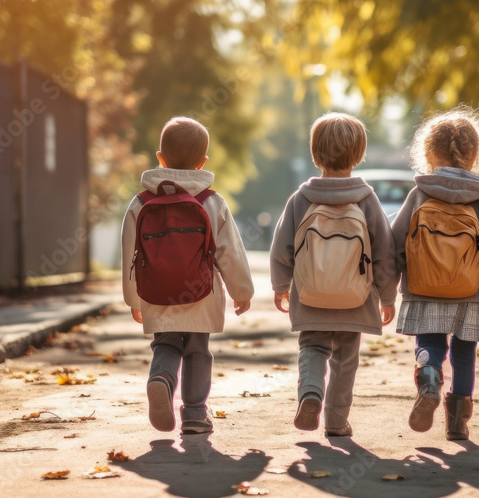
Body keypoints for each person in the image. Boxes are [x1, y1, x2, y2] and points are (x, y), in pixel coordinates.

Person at [391, 107, 479, 440]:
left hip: (423, 288)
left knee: (429, 341)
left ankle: (428, 374)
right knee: (465, 353)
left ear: (428, 153)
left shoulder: (419, 193)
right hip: (472, 291)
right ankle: (457, 424)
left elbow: (393, 243)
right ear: (476, 156)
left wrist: (383, 290)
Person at [121, 117, 254, 435]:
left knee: (165, 344)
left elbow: (130, 255)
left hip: (155, 293)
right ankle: (194, 413)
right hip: (201, 294)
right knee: (197, 350)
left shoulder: (141, 203)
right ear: (202, 162)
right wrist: (242, 291)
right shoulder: (211, 202)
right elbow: (229, 252)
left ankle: (161, 380)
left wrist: (133, 298)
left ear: (160, 158)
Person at [269, 112, 399, 437]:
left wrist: (281, 285)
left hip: (310, 295)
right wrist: (387, 296)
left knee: (312, 347)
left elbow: (282, 246)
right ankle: (337, 422)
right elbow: (384, 252)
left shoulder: (301, 198)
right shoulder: (366, 199)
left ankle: (310, 393)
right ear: (358, 154)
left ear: (315, 153)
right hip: (355, 299)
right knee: (345, 359)